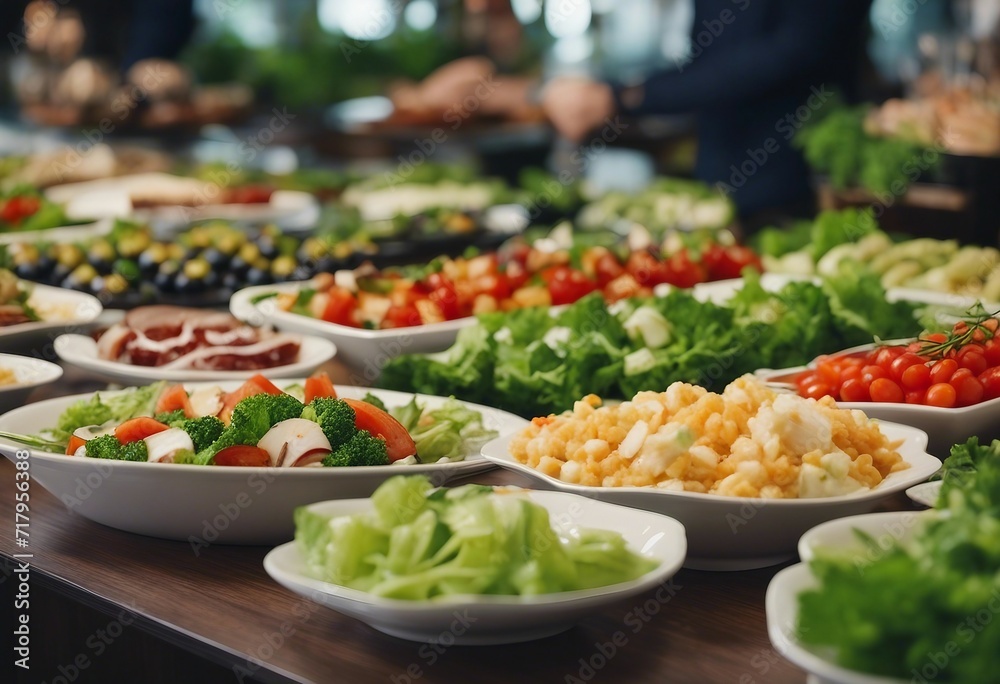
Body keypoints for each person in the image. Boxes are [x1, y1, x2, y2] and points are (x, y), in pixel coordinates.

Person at [541, 0, 874, 226]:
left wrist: (623, 96)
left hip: (807, 187)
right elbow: (706, 60)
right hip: (720, 181)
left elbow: (790, 53)